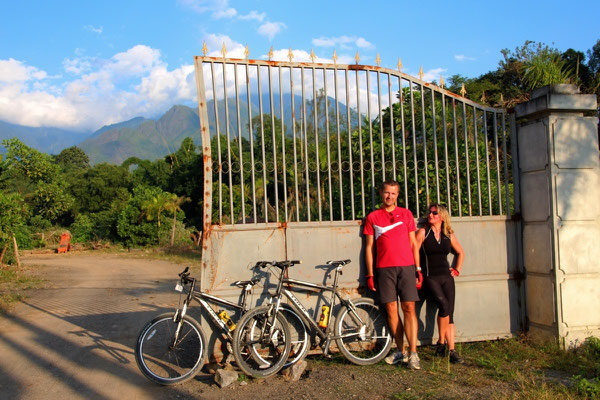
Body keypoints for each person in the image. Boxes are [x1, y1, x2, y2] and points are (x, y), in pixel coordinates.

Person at [363, 180, 422, 370]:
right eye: (387, 193)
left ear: (398, 195)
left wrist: (418, 269)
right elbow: (369, 247)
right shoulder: (373, 217)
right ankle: (400, 351)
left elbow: (413, 244)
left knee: (409, 308)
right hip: (384, 269)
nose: (390, 196)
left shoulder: (406, 214)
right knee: (391, 310)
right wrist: (370, 274)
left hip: (406, 267)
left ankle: (414, 353)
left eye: (393, 193)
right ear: (381, 193)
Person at [416, 203, 465, 363]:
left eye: (435, 213)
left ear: (442, 216)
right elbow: (413, 251)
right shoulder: (423, 232)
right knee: (443, 306)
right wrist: (417, 271)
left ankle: (451, 351)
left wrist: (456, 269)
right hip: (430, 277)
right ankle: (440, 343)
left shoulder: (448, 234)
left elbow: (460, 252)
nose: (431, 215)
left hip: (447, 277)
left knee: (449, 313)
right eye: (429, 212)